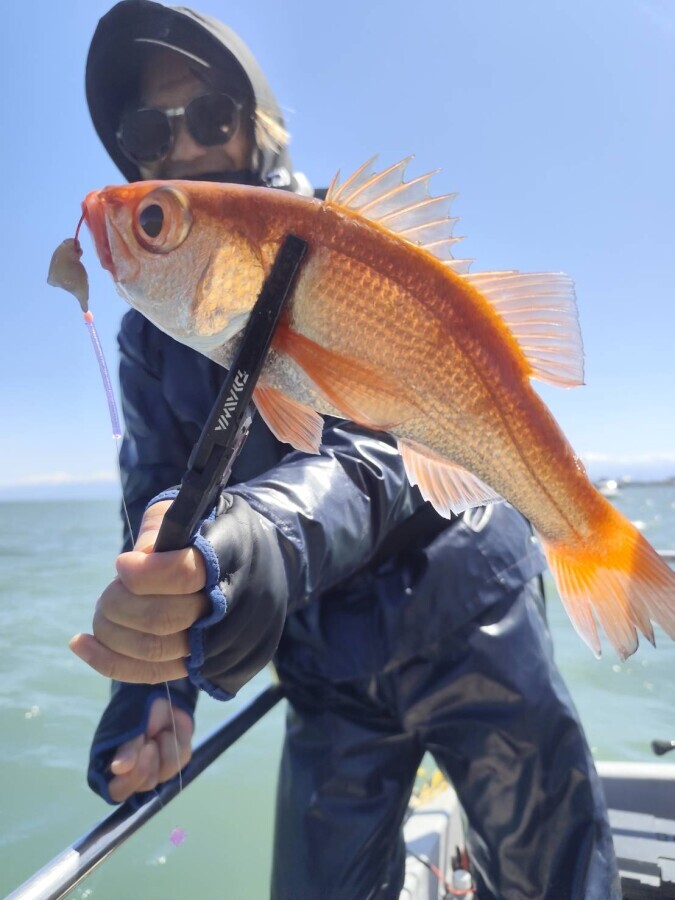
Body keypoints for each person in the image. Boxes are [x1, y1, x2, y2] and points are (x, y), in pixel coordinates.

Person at [75, 2, 621, 897]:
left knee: (555, 879)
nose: (183, 147)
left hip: (467, 604)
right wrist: (152, 689)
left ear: (257, 125)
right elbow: (157, 506)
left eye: (209, 115)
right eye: (147, 132)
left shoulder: (348, 252)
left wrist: (264, 539)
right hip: (323, 663)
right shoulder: (151, 339)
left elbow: (382, 454)